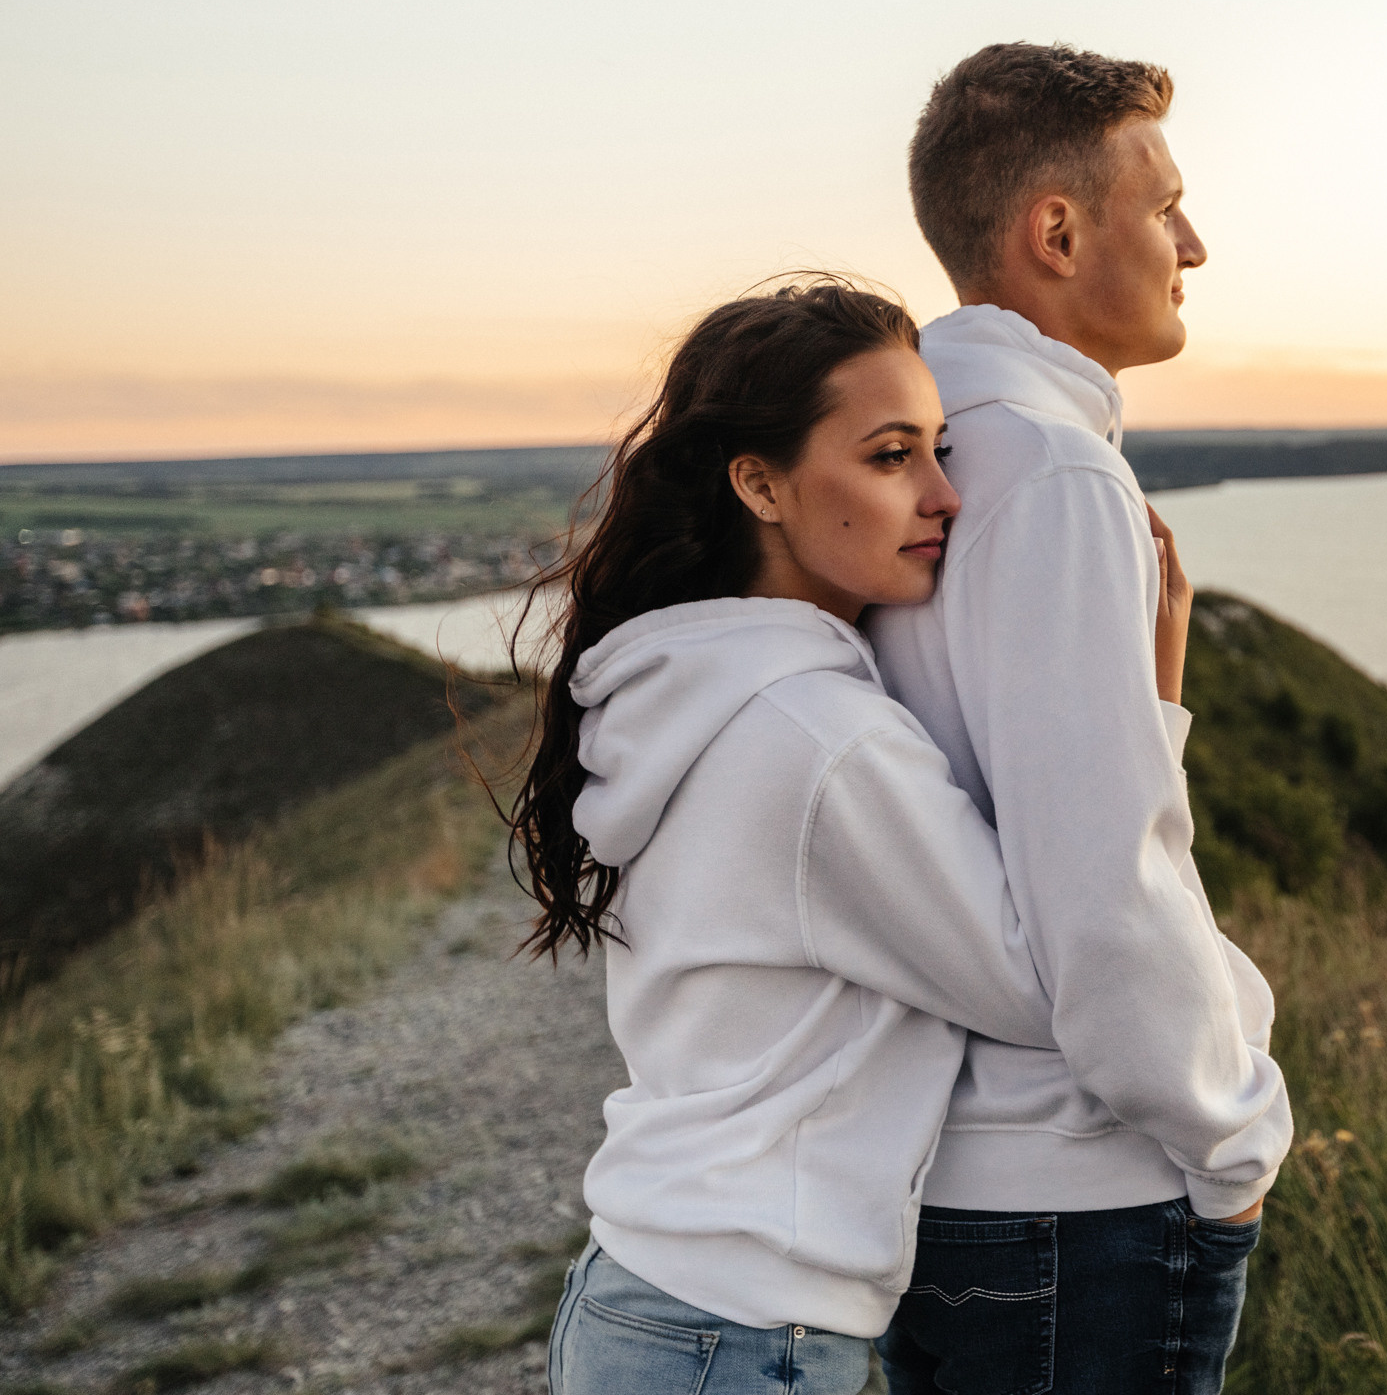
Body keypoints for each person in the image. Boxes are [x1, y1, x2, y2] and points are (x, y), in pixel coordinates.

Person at [503, 280, 1201, 1394]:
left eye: (938, 450)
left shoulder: (696, 688)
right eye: (890, 457)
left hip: (660, 1299)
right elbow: (1056, 979)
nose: (944, 496)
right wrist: (1145, 713)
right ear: (760, 485)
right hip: (734, 1333)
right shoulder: (820, 741)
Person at [870, 43, 1292, 1395]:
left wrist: (1155, 707)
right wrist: (1229, 1142)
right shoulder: (1052, 474)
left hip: (944, 1173)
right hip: (1077, 1197)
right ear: (1056, 234)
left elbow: (999, 810)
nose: (1195, 245)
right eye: (1164, 207)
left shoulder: (912, 459)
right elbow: (1102, 888)